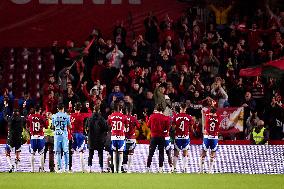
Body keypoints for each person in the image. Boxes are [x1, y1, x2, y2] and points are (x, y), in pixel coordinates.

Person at [146, 103, 170, 173]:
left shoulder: (152, 116)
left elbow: (148, 125)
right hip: (161, 137)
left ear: (156, 109)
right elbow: (167, 128)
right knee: (161, 153)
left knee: (151, 153)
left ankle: (148, 168)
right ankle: (160, 169)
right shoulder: (165, 118)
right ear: (162, 110)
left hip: (153, 137)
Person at [3, 100, 26, 173]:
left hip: (11, 138)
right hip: (19, 138)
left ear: (13, 113)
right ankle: (16, 168)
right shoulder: (22, 119)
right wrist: (24, 108)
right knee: (17, 153)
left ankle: (11, 165)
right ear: (18, 113)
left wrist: (6, 106)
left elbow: (4, 115)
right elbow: (25, 115)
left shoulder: (10, 119)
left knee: (7, 152)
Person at [199, 97, 220, 174]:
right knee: (213, 153)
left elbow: (206, 110)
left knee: (203, 152)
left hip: (207, 137)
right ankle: (210, 170)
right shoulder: (218, 118)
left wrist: (210, 104)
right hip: (214, 137)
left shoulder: (207, 116)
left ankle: (201, 170)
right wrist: (213, 103)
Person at [86, 105, 108, 173]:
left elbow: (86, 128)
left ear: (93, 110)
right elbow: (106, 128)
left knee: (90, 154)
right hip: (100, 139)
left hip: (91, 138)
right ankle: (101, 168)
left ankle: (89, 168)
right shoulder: (102, 119)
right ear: (99, 111)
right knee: (100, 154)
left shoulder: (89, 118)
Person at [172, 103, 193, 173]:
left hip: (178, 137)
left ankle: (174, 169)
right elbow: (191, 128)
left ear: (180, 108)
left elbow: (173, 127)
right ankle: (184, 169)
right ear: (186, 109)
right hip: (185, 137)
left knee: (176, 153)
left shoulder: (176, 117)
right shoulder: (189, 117)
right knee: (185, 153)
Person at [70, 102, 90, 172]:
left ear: (74, 108)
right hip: (80, 134)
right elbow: (90, 114)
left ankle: (70, 168)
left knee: (71, 151)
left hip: (72, 134)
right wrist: (88, 108)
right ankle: (83, 168)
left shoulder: (71, 115)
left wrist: (70, 108)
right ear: (80, 108)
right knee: (81, 152)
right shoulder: (81, 115)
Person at [107, 102, 127, 173]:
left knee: (114, 152)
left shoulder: (110, 116)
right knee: (121, 152)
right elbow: (126, 126)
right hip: (121, 136)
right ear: (119, 108)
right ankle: (119, 169)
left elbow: (108, 126)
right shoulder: (123, 116)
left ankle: (115, 169)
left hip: (113, 136)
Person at [26, 105, 47, 172]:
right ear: (39, 110)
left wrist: (30, 131)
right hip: (40, 137)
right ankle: (42, 169)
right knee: (42, 153)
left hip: (33, 137)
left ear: (34, 110)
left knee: (32, 153)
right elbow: (46, 126)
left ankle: (32, 169)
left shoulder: (30, 117)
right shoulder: (42, 117)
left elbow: (27, 126)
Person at [52, 103, 71, 173]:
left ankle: (60, 168)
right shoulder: (67, 116)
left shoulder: (54, 116)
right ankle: (66, 168)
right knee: (66, 152)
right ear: (63, 108)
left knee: (58, 152)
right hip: (64, 136)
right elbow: (69, 126)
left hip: (57, 135)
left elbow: (53, 126)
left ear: (57, 108)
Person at [122, 105, 140, 173]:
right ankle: (129, 169)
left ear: (126, 110)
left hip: (123, 137)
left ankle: (123, 167)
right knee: (130, 153)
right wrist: (136, 119)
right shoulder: (133, 118)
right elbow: (138, 127)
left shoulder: (122, 118)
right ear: (131, 111)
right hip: (131, 138)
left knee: (122, 152)